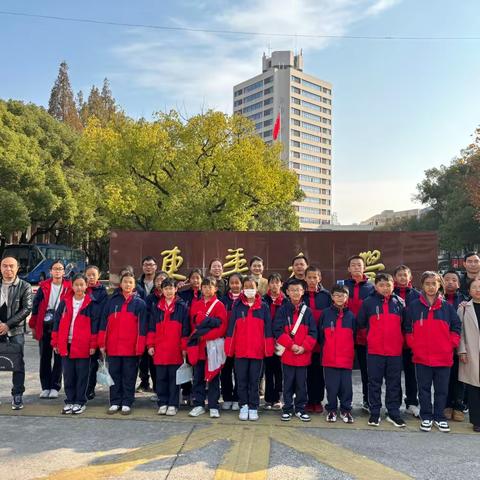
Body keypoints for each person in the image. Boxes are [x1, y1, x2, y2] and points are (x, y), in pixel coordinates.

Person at [405, 271, 462, 433]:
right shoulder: (414, 306)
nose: (430, 287)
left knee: (441, 390)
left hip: (443, 357)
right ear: (422, 286)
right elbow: (408, 328)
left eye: (434, 284)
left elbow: (456, 327)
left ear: (439, 286)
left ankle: (439, 417)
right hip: (422, 357)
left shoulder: (447, 307)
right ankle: (427, 416)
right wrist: (414, 345)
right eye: (427, 284)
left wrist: (451, 344)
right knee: (423, 389)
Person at [357, 273, 407, 428]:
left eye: (388, 285)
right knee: (374, 383)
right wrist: (372, 338)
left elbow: (405, 326)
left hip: (394, 351)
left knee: (394, 383)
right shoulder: (368, 303)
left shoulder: (400, 303)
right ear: (376, 286)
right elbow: (361, 324)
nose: (385, 288)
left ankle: (393, 413)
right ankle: (375, 413)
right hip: (374, 351)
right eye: (381, 285)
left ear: (393, 286)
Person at [225, 276, 274, 421]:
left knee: (254, 381)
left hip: (257, 352)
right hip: (240, 351)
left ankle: (253, 406)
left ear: (257, 288)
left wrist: (268, 349)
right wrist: (229, 348)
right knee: (241, 380)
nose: (249, 289)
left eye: (251, 287)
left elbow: (268, 330)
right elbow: (231, 329)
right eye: (246, 287)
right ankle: (243, 405)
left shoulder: (263, 306)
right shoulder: (238, 305)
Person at [98, 272, 148, 415]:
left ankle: (127, 401)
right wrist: (102, 343)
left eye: (130, 282)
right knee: (114, 375)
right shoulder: (112, 301)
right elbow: (103, 324)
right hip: (113, 347)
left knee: (129, 375)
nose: (127, 285)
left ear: (134, 285)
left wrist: (140, 346)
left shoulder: (140, 304)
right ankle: (115, 401)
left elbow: (142, 328)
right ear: (120, 284)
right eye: (125, 282)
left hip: (131, 348)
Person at [51, 273, 98, 415]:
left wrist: (92, 345)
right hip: (66, 344)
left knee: (82, 375)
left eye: (81, 284)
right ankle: (70, 400)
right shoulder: (64, 302)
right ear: (71, 285)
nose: (79, 287)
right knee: (68, 375)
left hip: (83, 346)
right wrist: (55, 342)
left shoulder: (91, 303)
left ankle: (80, 401)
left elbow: (95, 326)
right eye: (76, 284)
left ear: (86, 286)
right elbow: (56, 324)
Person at [273, 278, 317, 422]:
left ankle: (300, 409)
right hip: (288, 354)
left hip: (303, 355)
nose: (295, 292)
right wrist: (291, 345)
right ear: (287, 292)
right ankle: (287, 409)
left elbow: (313, 332)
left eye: (298, 290)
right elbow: (277, 331)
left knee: (301, 384)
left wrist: (304, 347)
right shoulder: (282, 310)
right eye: (292, 290)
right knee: (288, 383)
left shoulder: (308, 312)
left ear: (303, 291)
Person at [29, 260, 72, 399]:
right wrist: (33, 325)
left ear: (64, 272)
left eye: (60, 269)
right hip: (45, 324)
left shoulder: (69, 286)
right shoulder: (44, 286)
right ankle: (45, 386)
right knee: (45, 357)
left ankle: (55, 386)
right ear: (50, 271)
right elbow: (35, 306)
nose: (58, 271)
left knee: (59, 357)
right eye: (55, 269)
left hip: (61, 325)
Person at [147, 278, 190, 416]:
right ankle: (163, 403)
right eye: (166, 288)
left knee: (174, 379)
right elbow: (151, 328)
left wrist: (184, 348)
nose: (169, 291)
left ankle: (173, 404)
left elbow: (185, 329)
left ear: (176, 289)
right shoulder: (156, 307)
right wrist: (150, 344)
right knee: (161, 378)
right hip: (160, 349)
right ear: (162, 290)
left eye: (171, 288)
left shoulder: (182, 307)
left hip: (175, 349)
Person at [188, 277, 228, 418]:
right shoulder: (196, 304)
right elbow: (194, 326)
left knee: (213, 377)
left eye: (210, 286)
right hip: (199, 347)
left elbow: (222, 327)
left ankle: (213, 405)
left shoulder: (219, 305)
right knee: (198, 376)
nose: (206, 289)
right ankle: (198, 404)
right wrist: (208, 325)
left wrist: (205, 335)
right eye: (204, 286)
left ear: (216, 288)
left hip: (212, 346)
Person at [318, 285, 355, 423]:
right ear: (332, 297)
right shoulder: (326, 314)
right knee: (331, 386)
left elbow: (354, 336)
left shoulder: (351, 316)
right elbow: (321, 336)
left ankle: (346, 410)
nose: (340, 298)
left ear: (347, 298)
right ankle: (332, 410)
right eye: (337, 295)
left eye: (343, 295)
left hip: (346, 358)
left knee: (346, 387)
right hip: (329, 358)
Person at [0, 256, 33, 410]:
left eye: (11, 266)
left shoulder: (24, 286)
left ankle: (17, 394)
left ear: (17, 268)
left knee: (17, 363)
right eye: (5, 266)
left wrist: (7, 325)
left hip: (15, 331)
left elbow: (26, 309)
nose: (8, 269)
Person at [344, 255, 374, 412]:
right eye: (353, 265)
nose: (356, 267)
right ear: (348, 269)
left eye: (359, 265)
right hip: (345, 335)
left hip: (364, 336)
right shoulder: (342, 286)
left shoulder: (372, 288)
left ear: (364, 268)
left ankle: (367, 400)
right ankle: (343, 401)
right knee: (343, 370)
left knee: (366, 370)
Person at [393, 264, 420, 417]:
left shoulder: (417, 295)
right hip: (394, 341)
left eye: (405, 275)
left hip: (412, 342)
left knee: (412, 374)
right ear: (395, 278)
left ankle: (412, 402)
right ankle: (395, 403)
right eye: (400, 275)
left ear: (410, 277)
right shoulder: (389, 293)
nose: (403, 277)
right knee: (394, 375)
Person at [303, 266, 331, 414]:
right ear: (305, 278)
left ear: (320, 278)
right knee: (305, 372)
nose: (312, 280)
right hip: (304, 340)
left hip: (321, 341)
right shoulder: (300, 295)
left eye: (315, 277)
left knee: (319, 372)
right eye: (310, 277)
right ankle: (306, 400)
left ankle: (317, 400)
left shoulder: (327, 296)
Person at [443, 270, 468, 421]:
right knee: (444, 377)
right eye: (447, 279)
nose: (450, 282)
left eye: (454, 280)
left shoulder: (465, 300)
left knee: (460, 377)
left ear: (458, 284)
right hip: (442, 345)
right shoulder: (436, 299)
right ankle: (446, 405)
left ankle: (458, 405)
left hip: (460, 344)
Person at [177, 269, 203, 405]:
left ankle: (198, 393)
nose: (196, 281)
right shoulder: (182, 294)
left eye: (198, 278)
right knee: (186, 364)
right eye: (193, 278)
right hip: (186, 332)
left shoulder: (205, 294)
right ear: (189, 280)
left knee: (198, 366)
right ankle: (186, 392)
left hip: (201, 335)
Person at [458, 278, 480, 432]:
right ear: (469, 290)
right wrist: (462, 350)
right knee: (474, 388)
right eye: (475, 287)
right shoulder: (464, 308)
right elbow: (459, 332)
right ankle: (477, 421)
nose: (478, 290)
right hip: (472, 352)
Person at [262, 273, 287, 410]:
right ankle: (268, 399)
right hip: (267, 340)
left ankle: (278, 398)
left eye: (276, 282)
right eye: (271, 282)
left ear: (281, 284)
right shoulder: (263, 300)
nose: (274, 285)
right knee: (268, 370)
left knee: (279, 370)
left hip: (281, 341)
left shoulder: (286, 301)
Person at [85, 265, 109, 401]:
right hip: (81, 332)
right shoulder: (81, 288)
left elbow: (103, 314)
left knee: (92, 364)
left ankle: (90, 389)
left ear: (99, 276)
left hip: (95, 330)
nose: (91, 277)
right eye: (88, 275)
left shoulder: (102, 292)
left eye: (94, 275)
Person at [220, 273, 243, 411]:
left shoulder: (245, 300)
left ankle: (237, 398)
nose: (235, 285)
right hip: (226, 340)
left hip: (241, 342)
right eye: (232, 283)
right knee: (226, 371)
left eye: (237, 283)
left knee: (239, 371)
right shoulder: (223, 300)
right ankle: (227, 397)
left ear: (241, 284)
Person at [136, 257, 159, 394]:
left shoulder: (161, 281)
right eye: (146, 265)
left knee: (154, 358)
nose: (148, 267)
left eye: (151, 265)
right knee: (142, 358)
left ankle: (157, 385)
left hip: (156, 324)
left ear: (156, 266)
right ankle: (144, 382)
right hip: (141, 323)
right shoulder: (137, 283)